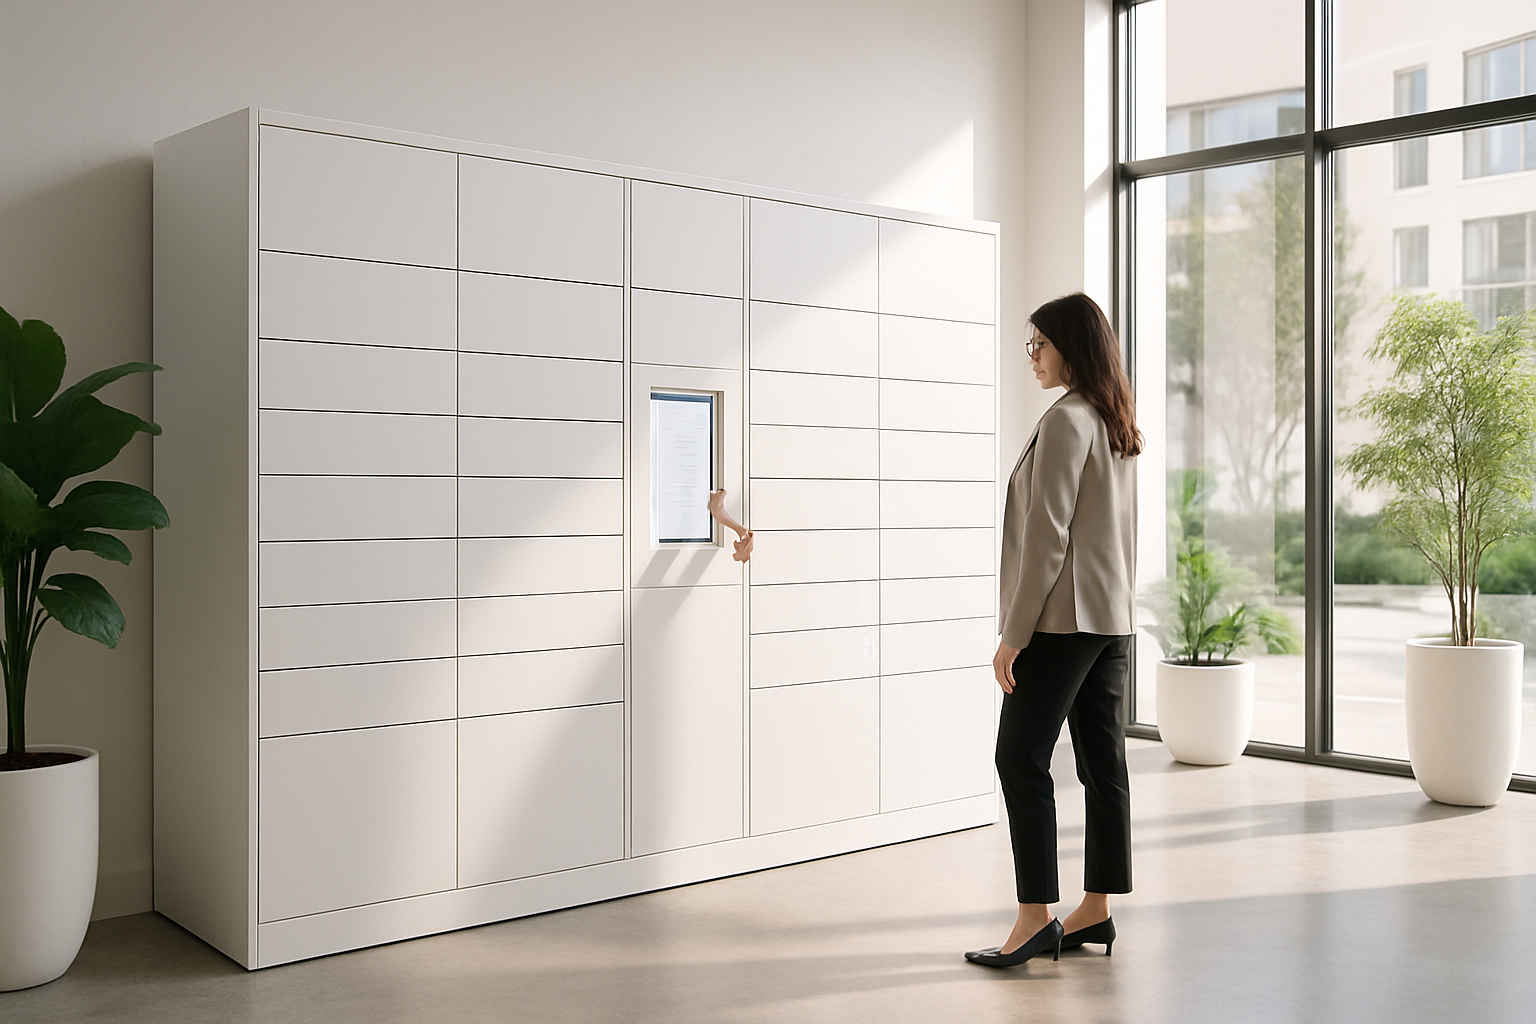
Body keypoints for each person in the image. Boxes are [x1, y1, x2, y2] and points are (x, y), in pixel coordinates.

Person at [965, 292, 1141, 968]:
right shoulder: (1115, 418)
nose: (1032, 356)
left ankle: (1035, 916)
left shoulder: (1068, 420)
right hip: (1112, 620)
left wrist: (1014, 632)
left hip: (1064, 621)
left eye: (1039, 343)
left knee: (1019, 756)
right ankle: (1095, 908)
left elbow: (1047, 538)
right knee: (1104, 764)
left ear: (1071, 343)